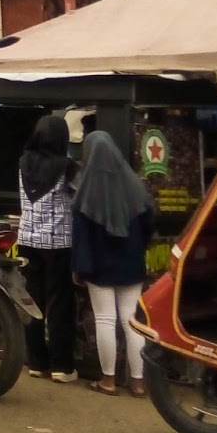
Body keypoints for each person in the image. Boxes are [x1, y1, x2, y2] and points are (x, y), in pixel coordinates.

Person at [71, 130, 154, 397]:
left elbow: (81, 238)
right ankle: (139, 383)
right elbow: (148, 225)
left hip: (99, 267)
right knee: (131, 320)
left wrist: (79, 269)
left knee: (105, 320)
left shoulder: (86, 192)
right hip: (131, 265)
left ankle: (108, 380)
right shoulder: (134, 186)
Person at [17, 115, 78, 384]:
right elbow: (82, 196)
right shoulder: (67, 169)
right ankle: (61, 366)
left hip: (27, 240)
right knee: (59, 305)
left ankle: (36, 362)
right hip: (58, 245)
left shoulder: (23, 163)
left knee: (33, 303)